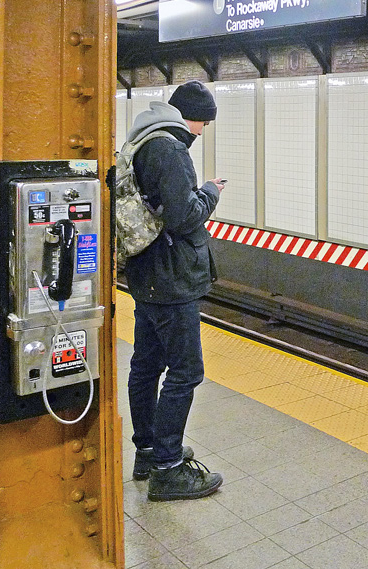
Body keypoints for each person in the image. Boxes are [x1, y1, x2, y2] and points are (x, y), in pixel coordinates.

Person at [123, 80, 227, 501]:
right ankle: (168, 467)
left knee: (146, 365)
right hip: (171, 280)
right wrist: (210, 193)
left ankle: (148, 452)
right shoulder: (171, 149)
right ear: (192, 118)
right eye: (202, 124)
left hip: (148, 274)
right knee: (186, 371)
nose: (202, 133)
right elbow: (184, 217)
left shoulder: (144, 142)